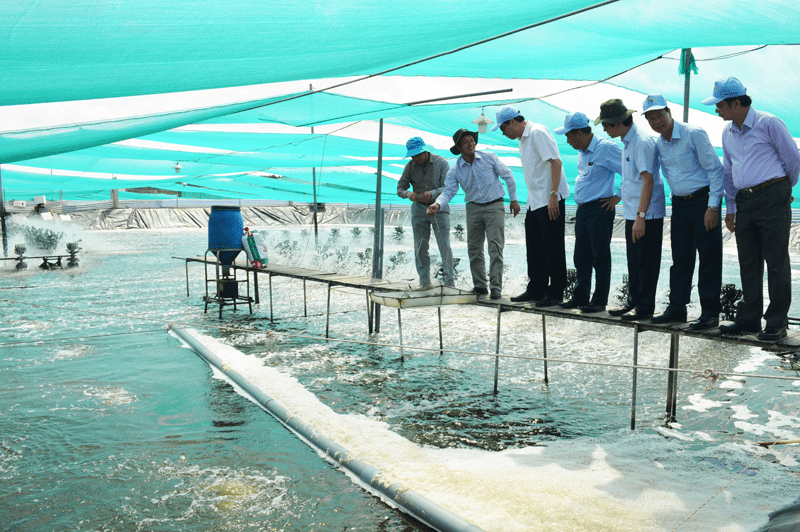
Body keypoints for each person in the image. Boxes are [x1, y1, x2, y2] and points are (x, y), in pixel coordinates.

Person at [702, 77, 800, 341]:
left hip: (772, 195)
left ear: (736, 103)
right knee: (748, 261)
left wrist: (782, 188)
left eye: (720, 105)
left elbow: (793, 158)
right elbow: (729, 171)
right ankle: (749, 319)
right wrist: (731, 207)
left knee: (776, 262)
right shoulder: (727, 132)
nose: (717, 110)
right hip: (744, 201)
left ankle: (777, 322)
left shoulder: (769, 123)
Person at [643, 94, 725, 331]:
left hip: (703, 201)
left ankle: (710, 314)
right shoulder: (658, 143)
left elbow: (716, 170)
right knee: (680, 258)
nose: (656, 121)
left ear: (669, 112)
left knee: (708, 258)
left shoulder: (693, 133)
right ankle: (677, 308)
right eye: (651, 118)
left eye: (659, 115)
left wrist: (712, 207)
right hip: (679, 205)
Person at [427, 128, 520, 300]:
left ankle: (496, 287)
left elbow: (508, 176)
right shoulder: (455, 169)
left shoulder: (489, 157)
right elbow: (448, 191)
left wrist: (513, 200)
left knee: (495, 246)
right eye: (465, 142)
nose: (470, 144)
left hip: (494, 205)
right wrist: (437, 204)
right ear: (459, 148)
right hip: (474, 208)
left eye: (472, 140)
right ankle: (479, 286)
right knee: (474, 248)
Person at [596, 99, 666, 321]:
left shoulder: (642, 142)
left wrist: (641, 216)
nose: (605, 129)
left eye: (606, 125)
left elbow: (648, 180)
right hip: (632, 212)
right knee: (634, 261)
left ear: (617, 123)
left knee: (646, 261)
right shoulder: (627, 142)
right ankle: (633, 301)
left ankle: (644, 307)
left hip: (646, 213)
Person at [493, 106, 569, 307]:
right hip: (535, 200)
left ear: (512, 122)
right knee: (534, 247)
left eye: (503, 129)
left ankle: (556, 292)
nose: (503, 134)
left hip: (549, 197)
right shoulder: (521, 139)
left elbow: (556, 162)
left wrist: (553, 195)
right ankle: (536, 288)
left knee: (553, 246)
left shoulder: (538, 132)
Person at [552, 111, 622, 313]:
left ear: (580, 133)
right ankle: (580, 296)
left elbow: (630, 171)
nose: (567, 140)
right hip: (583, 210)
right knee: (581, 256)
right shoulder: (582, 151)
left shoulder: (606, 148)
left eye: (568, 135)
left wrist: (618, 196)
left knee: (600, 256)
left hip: (600, 208)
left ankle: (599, 300)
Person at [397, 137, 455, 288]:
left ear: (425, 151)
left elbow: (448, 188)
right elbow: (400, 188)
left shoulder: (441, 163)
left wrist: (432, 194)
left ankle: (450, 283)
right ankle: (424, 282)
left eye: (418, 155)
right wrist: (410, 195)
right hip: (419, 209)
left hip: (439, 208)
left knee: (444, 245)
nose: (415, 158)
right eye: (412, 156)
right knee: (420, 247)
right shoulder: (410, 166)